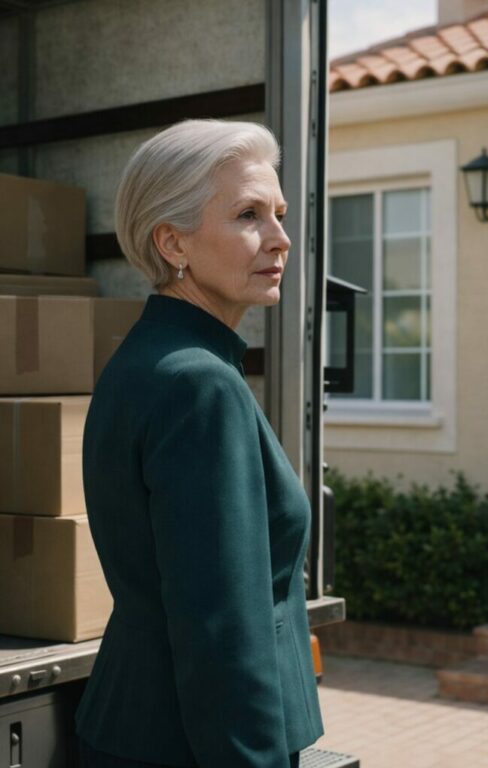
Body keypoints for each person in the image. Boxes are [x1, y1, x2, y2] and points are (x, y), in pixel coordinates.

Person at [75, 120, 323, 767]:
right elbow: (223, 632)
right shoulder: (199, 384)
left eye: (279, 214)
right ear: (173, 242)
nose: (280, 238)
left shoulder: (148, 359)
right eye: (248, 215)